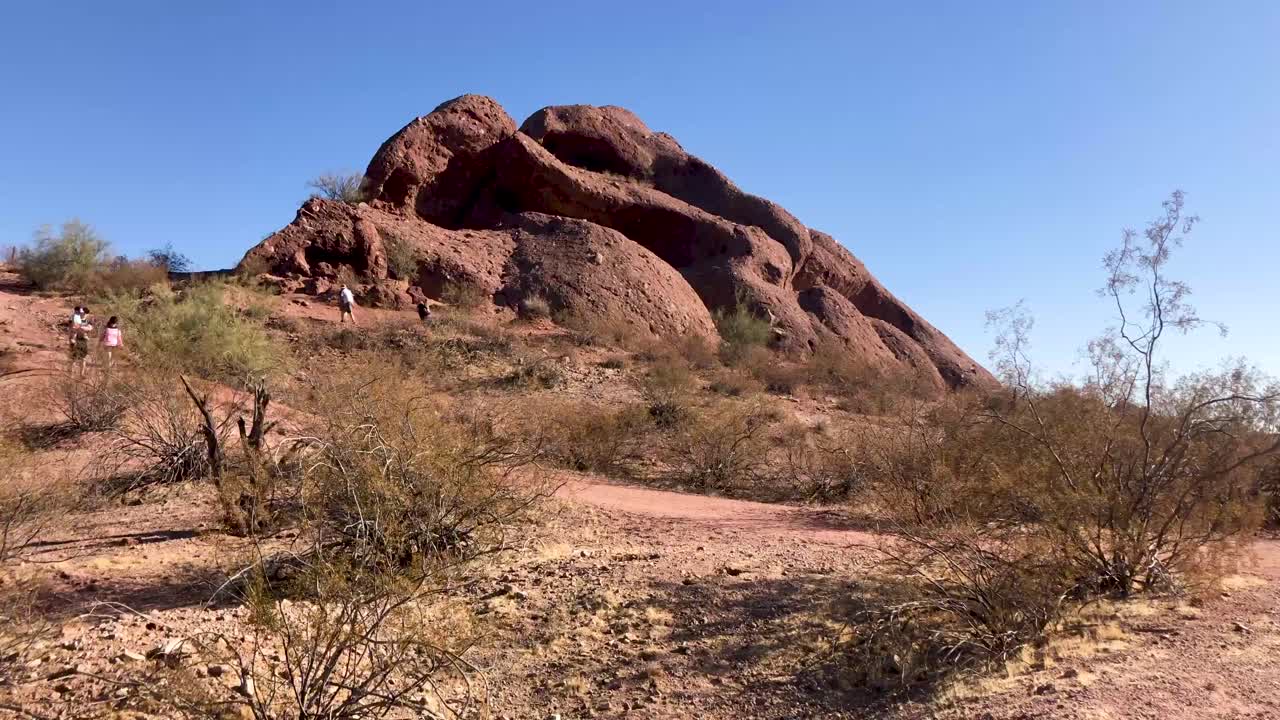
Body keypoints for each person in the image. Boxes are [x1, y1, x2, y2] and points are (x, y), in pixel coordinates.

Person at [69, 309, 93, 376]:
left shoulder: (88, 321)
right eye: (83, 313)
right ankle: (71, 374)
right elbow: (73, 329)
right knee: (74, 358)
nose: (84, 314)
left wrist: (80, 327)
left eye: (86, 313)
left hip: (84, 341)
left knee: (83, 358)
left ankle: (82, 374)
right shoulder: (76, 319)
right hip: (76, 340)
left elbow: (90, 328)